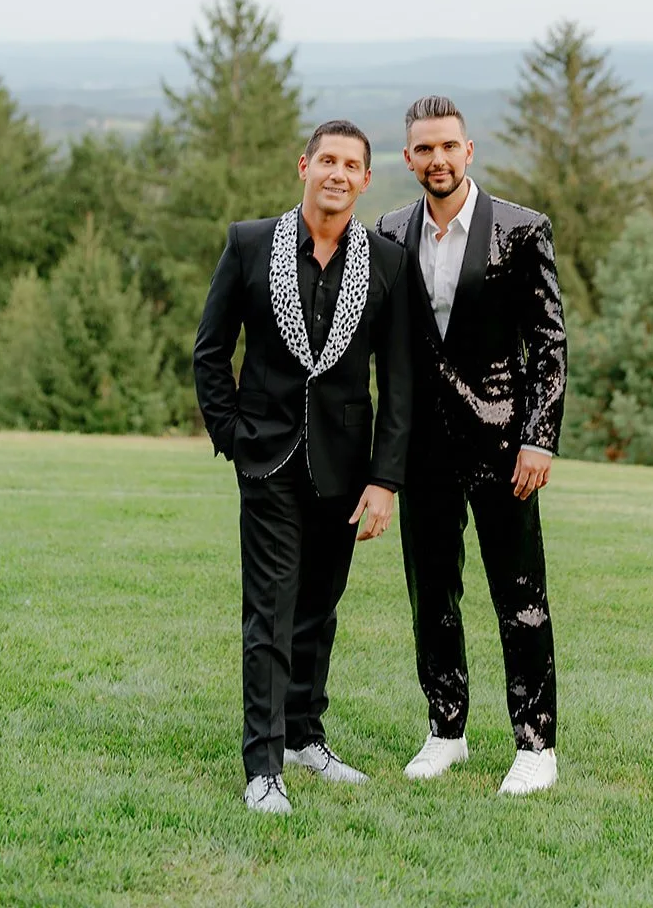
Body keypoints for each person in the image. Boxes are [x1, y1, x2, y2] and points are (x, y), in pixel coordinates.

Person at [194, 119, 411, 817]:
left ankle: (304, 738)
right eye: (327, 160)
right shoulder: (249, 243)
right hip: (267, 460)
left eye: (352, 164)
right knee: (270, 612)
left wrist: (385, 479)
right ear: (304, 167)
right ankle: (262, 766)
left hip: (346, 469)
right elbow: (211, 349)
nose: (337, 174)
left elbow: (398, 380)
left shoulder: (386, 261)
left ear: (366, 179)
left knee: (318, 610)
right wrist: (232, 436)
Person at [376, 96, 567, 795]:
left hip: (503, 442)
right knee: (432, 594)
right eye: (423, 149)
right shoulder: (389, 231)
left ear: (469, 150)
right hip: (422, 448)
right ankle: (446, 730)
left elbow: (549, 345)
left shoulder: (521, 229)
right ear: (408, 158)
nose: (437, 159)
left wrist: (538, 440)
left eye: (447, 147)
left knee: (519, 594)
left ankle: (535, 744)